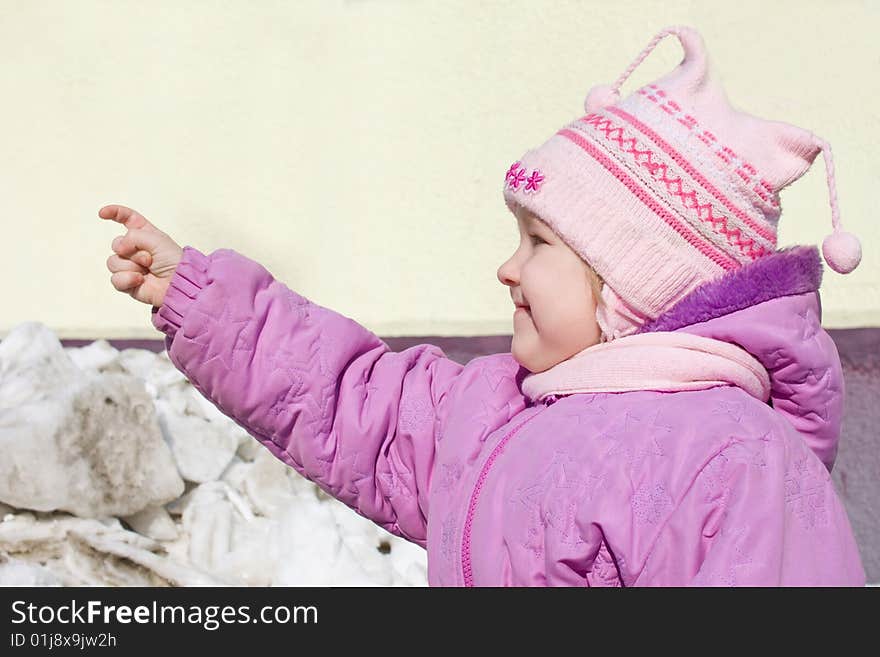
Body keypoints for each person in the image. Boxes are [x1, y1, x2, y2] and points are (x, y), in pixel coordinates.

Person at [101, 25, 866, 586]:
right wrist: (200, 299)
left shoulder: (736, 458)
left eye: (538, 242)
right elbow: (352, 401)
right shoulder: (500, 408)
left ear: (633, 283)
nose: (507, 267)